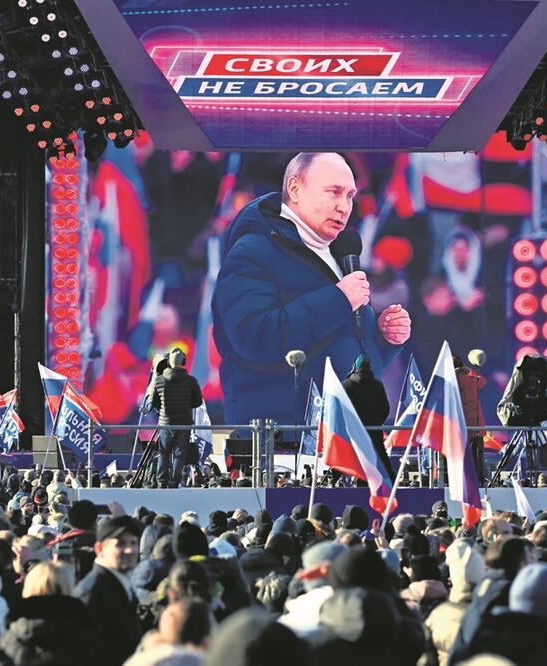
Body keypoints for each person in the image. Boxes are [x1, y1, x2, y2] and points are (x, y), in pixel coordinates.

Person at [212, 152, 410, 425]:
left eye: (350, 196)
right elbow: (254, 336)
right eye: (334, 192)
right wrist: (338, 300)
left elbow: (343, 354)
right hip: (281, 442)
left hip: (346, 433)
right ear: (294, 189)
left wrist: (385, 341)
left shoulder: (337, 256)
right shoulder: (252, 252)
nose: (344, 206)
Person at [73, 515, 143, 666]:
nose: (130, 550)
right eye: (120, 544)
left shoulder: (116, 583)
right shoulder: (92, 591)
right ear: (99, 549)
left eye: (134, 543)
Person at [147, 348, 203, 488]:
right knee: (179, 454)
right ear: (183, 362)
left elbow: (153, 402)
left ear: (169, 362)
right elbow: (198, 402)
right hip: (184, 424)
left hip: (166, 423)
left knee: (163, 453)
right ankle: (174, 482)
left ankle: (161, 482)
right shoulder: (191, 381)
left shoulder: (159, 380)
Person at [341, 355, 393, 476]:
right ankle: (392, 482)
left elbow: (341, 409)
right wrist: (376, 421)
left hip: (353, 429)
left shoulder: (346, 385)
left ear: (354, 367)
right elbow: (385, 409)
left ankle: (331, 482)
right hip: (374, 428)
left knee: (346, 454)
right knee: (380, 455)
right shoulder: (378, 385)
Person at [453, 355, 487, 483]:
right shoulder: (472, 379)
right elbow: (483, 381)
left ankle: (459, 482)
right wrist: (469, 370)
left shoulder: (452, 380)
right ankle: (478, 481)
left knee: (459, 458)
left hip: (460, 427)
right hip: (476, 426)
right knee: (477, 457)